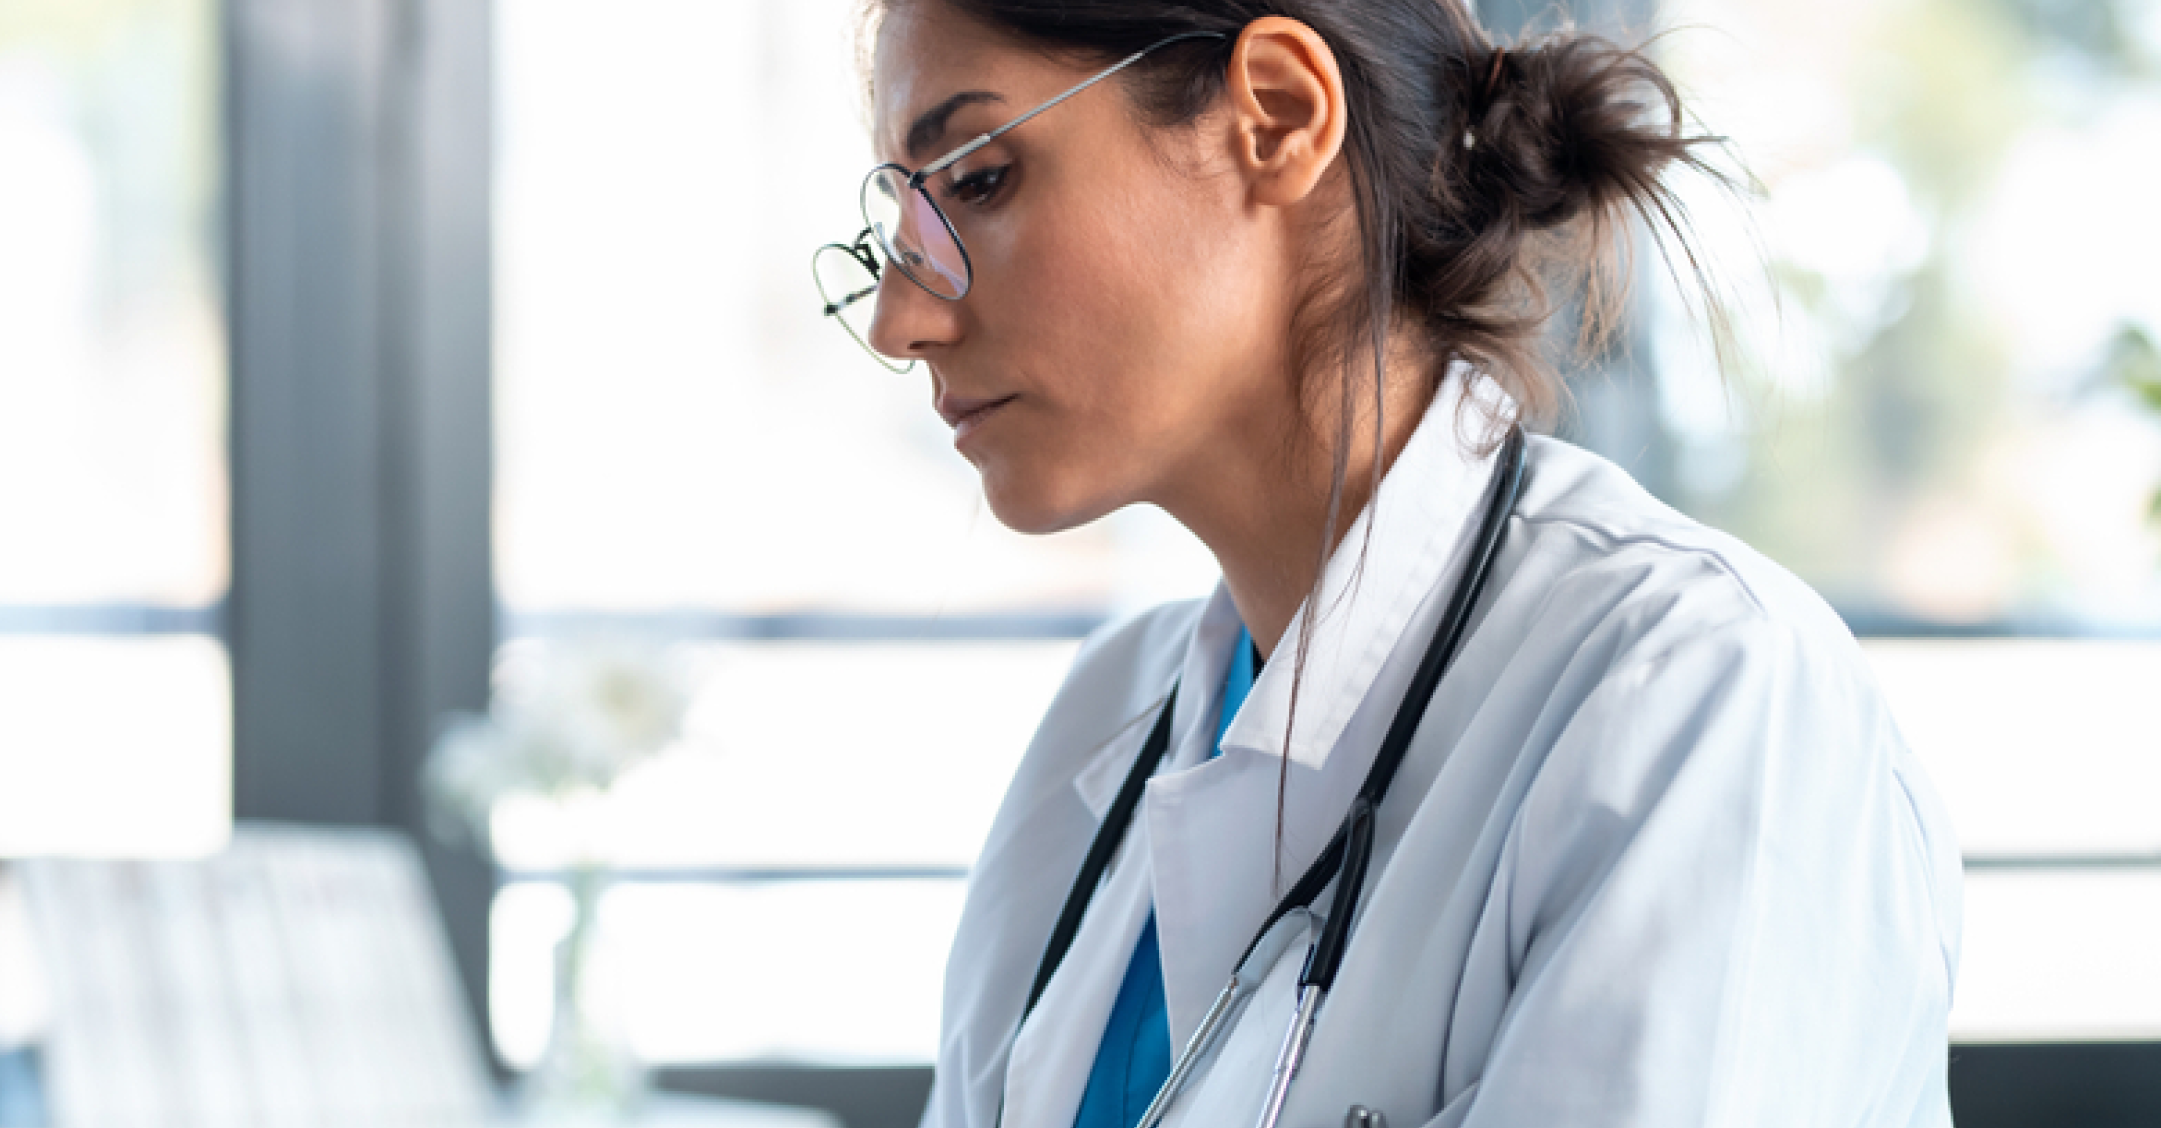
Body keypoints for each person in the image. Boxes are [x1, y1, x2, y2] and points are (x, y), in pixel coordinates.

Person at [810, 2, 1965, 1125]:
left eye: (975, 180)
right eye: (901, 226)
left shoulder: (1697, 696)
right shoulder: (1100, 726)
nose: (900, 320)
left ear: (1274, 114)